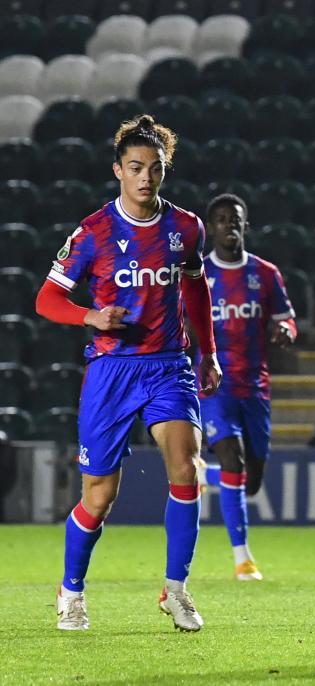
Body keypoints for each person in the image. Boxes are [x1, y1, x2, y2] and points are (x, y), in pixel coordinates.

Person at [35, 115, 221, 632]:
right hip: (111, 369)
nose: (145, 177)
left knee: (188, 470)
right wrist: (89, 315)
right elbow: (47, 299)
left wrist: (207, 352)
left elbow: (194, 289)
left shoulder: (186, 228)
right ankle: (71, 591)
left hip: (168, 365)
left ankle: (177, 590)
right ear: (118, 169)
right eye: (135, 167)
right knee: (100, 496)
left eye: (155, 169)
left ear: (164, 171)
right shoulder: (93, 232)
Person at [195, 193, 297, 582]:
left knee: (251, 480)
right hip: (213, 385)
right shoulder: (198, 275)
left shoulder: (266, 274)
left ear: (245, 225)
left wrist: (285, 331)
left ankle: (205, 476)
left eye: (235, 219)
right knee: (233, 459)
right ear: (212, 228)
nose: (229, 225)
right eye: (221, 219)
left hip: (255, 388)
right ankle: (243, 559)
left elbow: (287, 320)